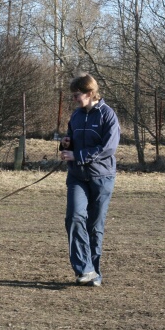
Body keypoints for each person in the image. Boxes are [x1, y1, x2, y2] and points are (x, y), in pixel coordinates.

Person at [60, 73, 120, 287]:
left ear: (89, 93)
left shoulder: (107, 115)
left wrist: (79, 155)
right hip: (77, 176)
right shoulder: (76, 116)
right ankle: (84, 269)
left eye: (77, 95)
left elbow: (108, 148)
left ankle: (94, 272)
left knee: (95, 226)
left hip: (101, 177)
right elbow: (70, 139)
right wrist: (66, 144)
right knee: (74, 217)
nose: (74, 99)